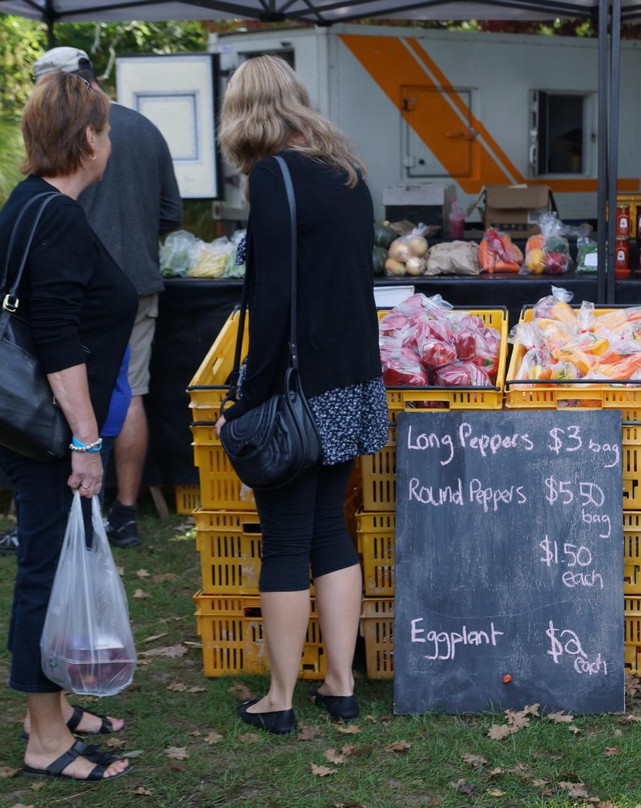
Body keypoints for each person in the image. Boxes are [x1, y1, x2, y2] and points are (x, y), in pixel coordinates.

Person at [215, 55, 388, 734]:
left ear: (243, 115)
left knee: (286, 540)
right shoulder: (345, 171)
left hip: (296, 388)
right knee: (329, 531)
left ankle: (279, 698)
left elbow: (272, 306)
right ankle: (340, 686)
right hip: (352, 378)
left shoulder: (273, 177)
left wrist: (246, 400)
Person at [0, 71, 135, 781]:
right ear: (87, 138)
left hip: (29, 428)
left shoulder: (28, 201)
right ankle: (45, 741)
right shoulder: (55, 217)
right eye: (105, 130)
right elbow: (57, 340)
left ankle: (49, 710)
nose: (109, 142)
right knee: (45, 575)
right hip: (50, 434)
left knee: (46, 566)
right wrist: (85, 439)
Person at [32, 46, 183, 550]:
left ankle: (73, 509)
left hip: (74, 284)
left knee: (63, 387)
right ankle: (125, 513)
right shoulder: (143, 127)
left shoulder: (59, 133)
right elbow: (171, 212)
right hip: (134, 281)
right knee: (130, 391)